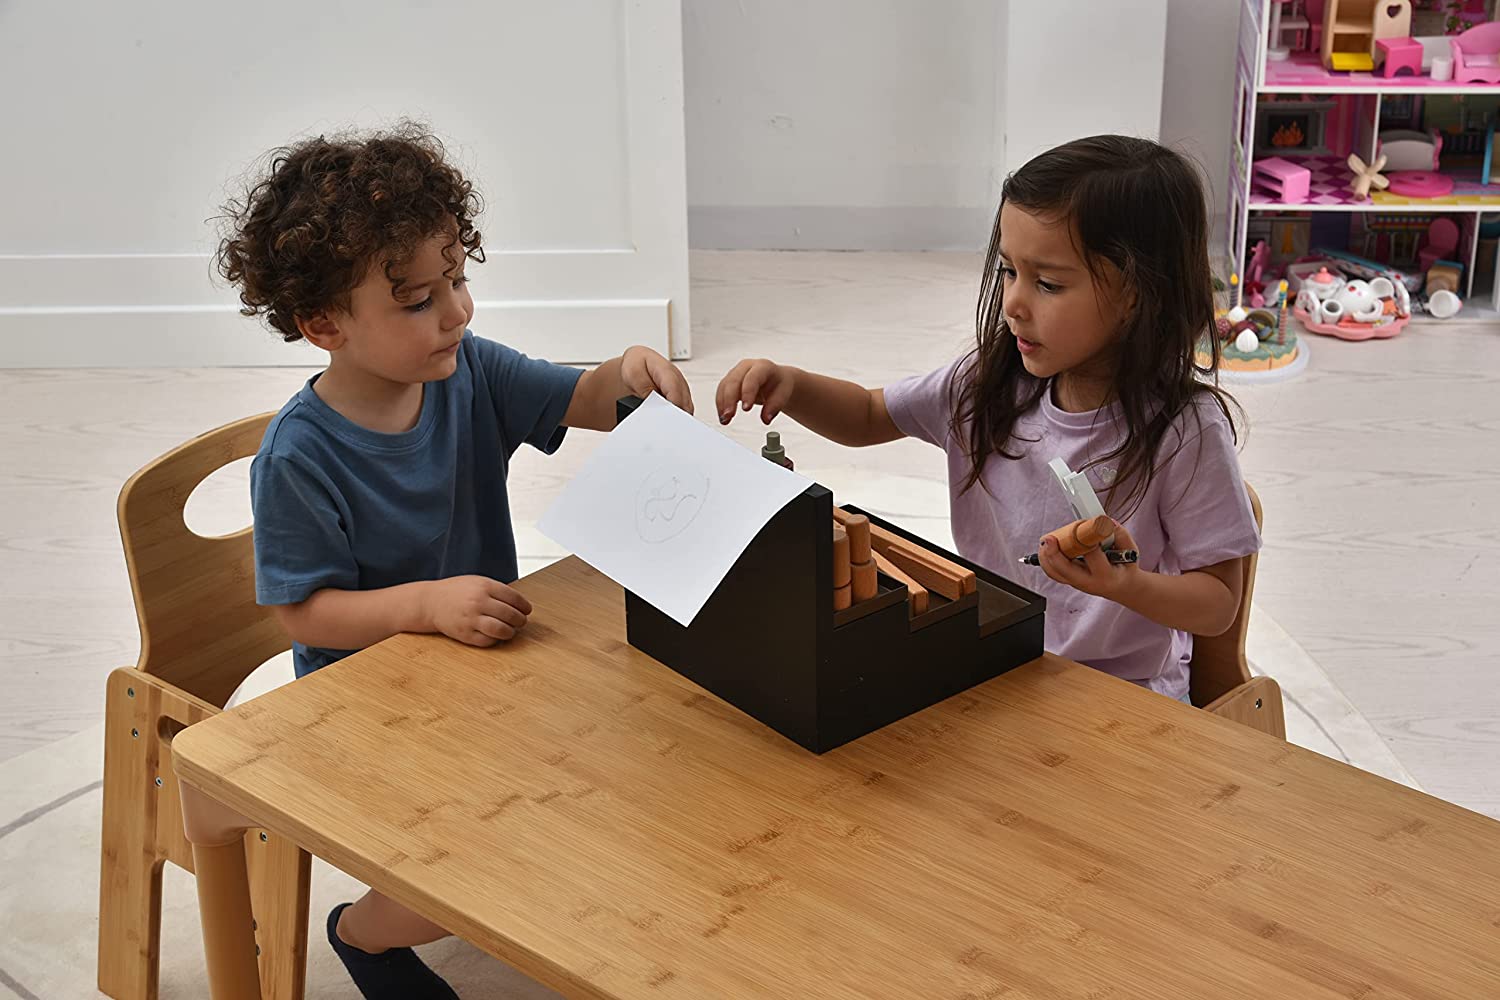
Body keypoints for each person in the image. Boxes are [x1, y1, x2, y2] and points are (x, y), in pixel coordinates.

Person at [216, 122, 693, 998]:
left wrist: (628, 370)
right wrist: (424, 605)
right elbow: (304, 614)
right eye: (416, 300)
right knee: (493, 851)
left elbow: (584, 398)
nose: (457, 313)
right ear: (324, 324)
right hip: (360, 707)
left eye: (458, 279)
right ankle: (363, 932)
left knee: (642, 764)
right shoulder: (297, 457)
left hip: (484, 676)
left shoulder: (467, 371)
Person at [717, 135, 1260, 705]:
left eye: (1048, 283)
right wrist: (794, 385)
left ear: (1138, 295)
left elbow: (1217, 606)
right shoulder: (988, 386)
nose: (1014, 303)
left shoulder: (1185, 431)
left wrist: (1127, 585)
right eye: (1008, 271)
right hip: (995, 664)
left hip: (1124, 693)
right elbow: (870, 415)